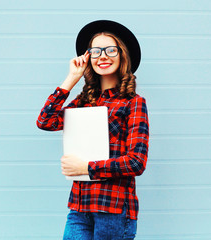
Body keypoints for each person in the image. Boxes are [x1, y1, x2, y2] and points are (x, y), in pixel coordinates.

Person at [36, 20, 149, 240]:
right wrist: (72, 78)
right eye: (95, 51)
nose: (102, 56)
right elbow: (45, 121)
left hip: (114, 210)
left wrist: (87, 168)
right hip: (79, 208)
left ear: (122, 55)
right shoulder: (83, 102)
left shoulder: (133, 103)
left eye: (110, 50)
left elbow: (136, 161)